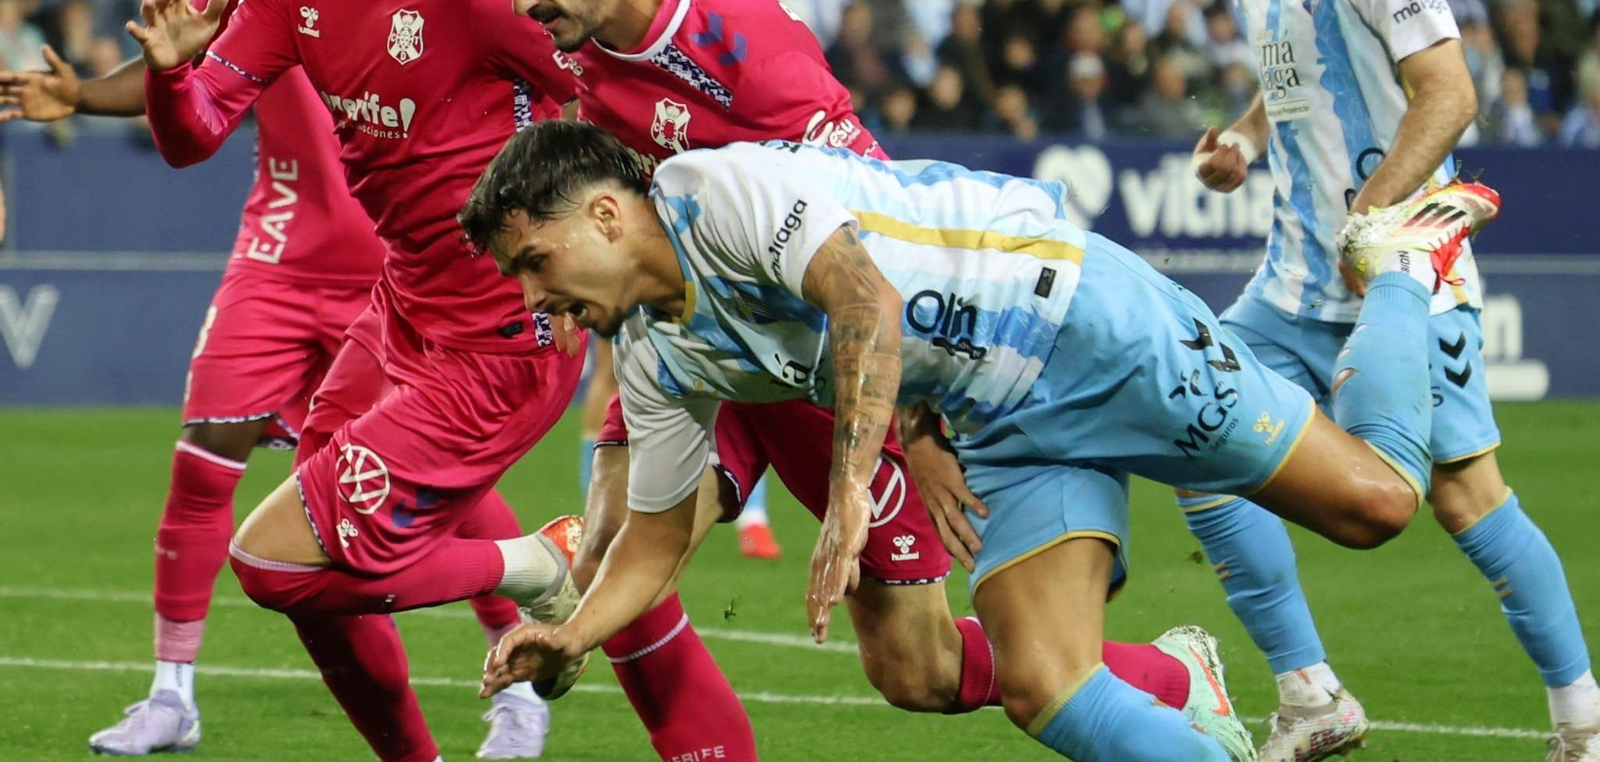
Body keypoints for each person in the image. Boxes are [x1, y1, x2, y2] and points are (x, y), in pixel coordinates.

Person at [480, 0, 1254, 761]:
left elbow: (875, 223)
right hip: (700, 341)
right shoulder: (573, 31)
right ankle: (573, 636)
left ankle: (1172, 675)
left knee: (913, 668)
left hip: (812, 352)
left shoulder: (744, 49)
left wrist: (918, 412)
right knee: (610, 556)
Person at [464, 123, 1499, 762]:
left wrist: (853, 484)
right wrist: (573, 632)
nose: (533, 297)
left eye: (536, 261)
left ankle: (1400, 264)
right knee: (1042, 684)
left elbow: (863, 296)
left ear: (606, 214)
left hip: (1086, 326)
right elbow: (651, 537)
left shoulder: (718, 192)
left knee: (1378, 507)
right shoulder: (656, 358)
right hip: (1001, 419)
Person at [1, 0, 553, 759]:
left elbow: (589, 77)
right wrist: (102, 87)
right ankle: (171, 693)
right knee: (212, 462)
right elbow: (198, 84)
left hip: (401, 261)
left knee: (424, 486)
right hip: (283, 246)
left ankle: (515, 666)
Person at [1184, 0, 1600, 759]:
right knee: (1194, 427)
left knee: (1466, 501)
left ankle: (1584, 722)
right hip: (1292, 282)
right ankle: (1308, 695)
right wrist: (1244, 142)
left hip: (1404, 276)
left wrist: (1368, 223)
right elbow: (1286, 79)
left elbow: (1449, 96)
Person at [571, 0, 784, 561]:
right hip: (641, 230)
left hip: (719, 236)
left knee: (755, 371)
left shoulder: (719, 11)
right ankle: (597, 520)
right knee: (610, 377)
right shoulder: (605, 25)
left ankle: (751, 517)